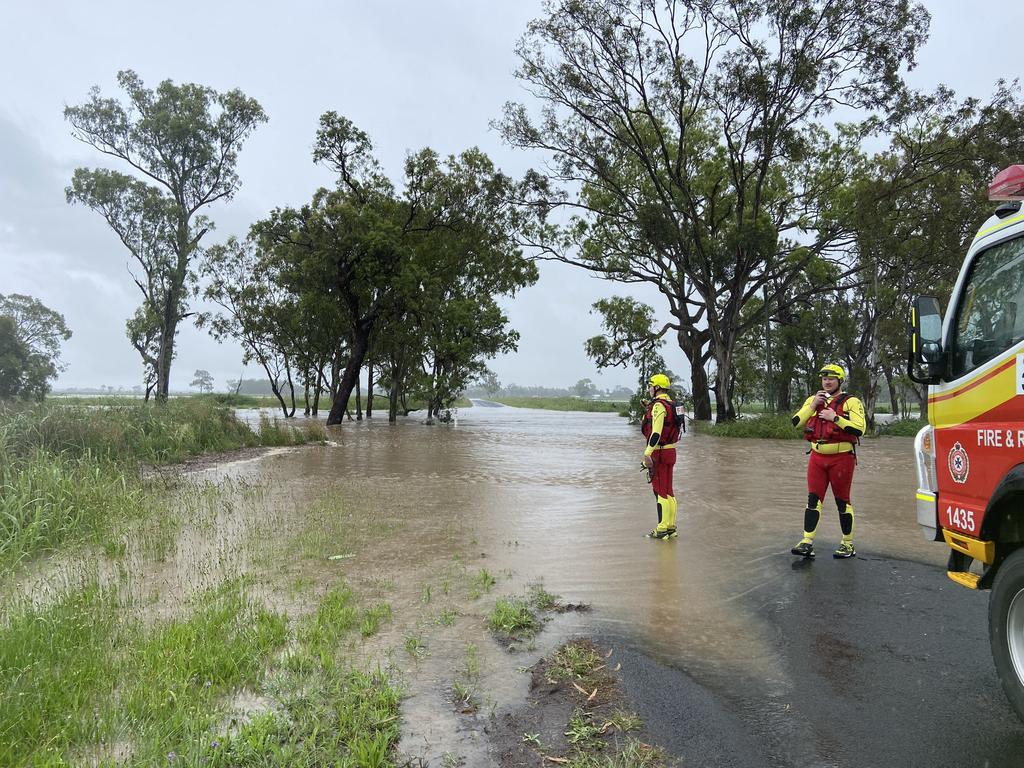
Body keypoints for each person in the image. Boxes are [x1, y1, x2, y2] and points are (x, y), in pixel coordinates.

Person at [790, 363, 866, 559]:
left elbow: (860, 429)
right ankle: (807, 541)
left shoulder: (851, 401)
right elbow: (796, 422)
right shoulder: (813, 399)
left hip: (842, 458)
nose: (827, 382)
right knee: (813, 499)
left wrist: (835, 418)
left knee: (842, 501)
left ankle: (847, 543)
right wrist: (813, 405)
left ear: (839, 381)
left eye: (831, 378)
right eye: (824, 379)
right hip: (817, 457)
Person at [641, 373, 682, 540]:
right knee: (669, 491)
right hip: (671, 451)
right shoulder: (671, 404)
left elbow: (656, 433)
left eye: (651, 386)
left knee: (660, 492)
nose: (650, 388)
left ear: (657, 387)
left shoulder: (659, 406)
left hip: (659, 451)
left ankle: (661, 529)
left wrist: (647, 453)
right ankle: (671, 527)